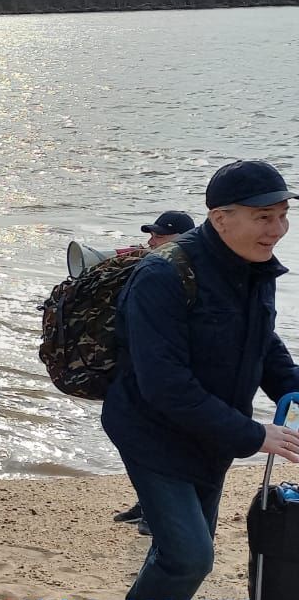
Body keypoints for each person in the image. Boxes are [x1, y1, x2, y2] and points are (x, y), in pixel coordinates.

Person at [103, 160, 299, 600]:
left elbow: (263, 343)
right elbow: (164, 385)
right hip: (152, 430)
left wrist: (295, 390)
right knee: (192, 553)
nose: (276, 230)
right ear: (220, 218)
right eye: (263, 217)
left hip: (211, 433)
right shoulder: (161, 275)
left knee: (182, 548)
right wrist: (256, 435)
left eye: (282, 215)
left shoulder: (255, 266)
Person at [114, 209, 198, 535]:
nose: (152, 240)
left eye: (159, 235)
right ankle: (145, 503)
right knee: (135, 443)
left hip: (169, 378)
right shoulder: (154, 267)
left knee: (162, 446)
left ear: (180, 238)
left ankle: (156, 513)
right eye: (152, 235)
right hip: (139, 373)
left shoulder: (188, 273)